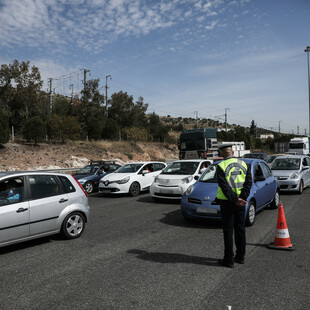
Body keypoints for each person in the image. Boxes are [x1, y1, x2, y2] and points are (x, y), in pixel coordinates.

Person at [215, 143, 252, 268]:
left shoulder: (220, 166)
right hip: (241, 202)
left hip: (227, 203)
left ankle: (229, 260)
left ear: (222, 154)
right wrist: (242, 198)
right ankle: (240, 257)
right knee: (240, 229)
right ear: (233, 152)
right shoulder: (244, 164)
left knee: (228, 231)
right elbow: (248, 183)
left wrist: (234, 199)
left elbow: (224, 187)